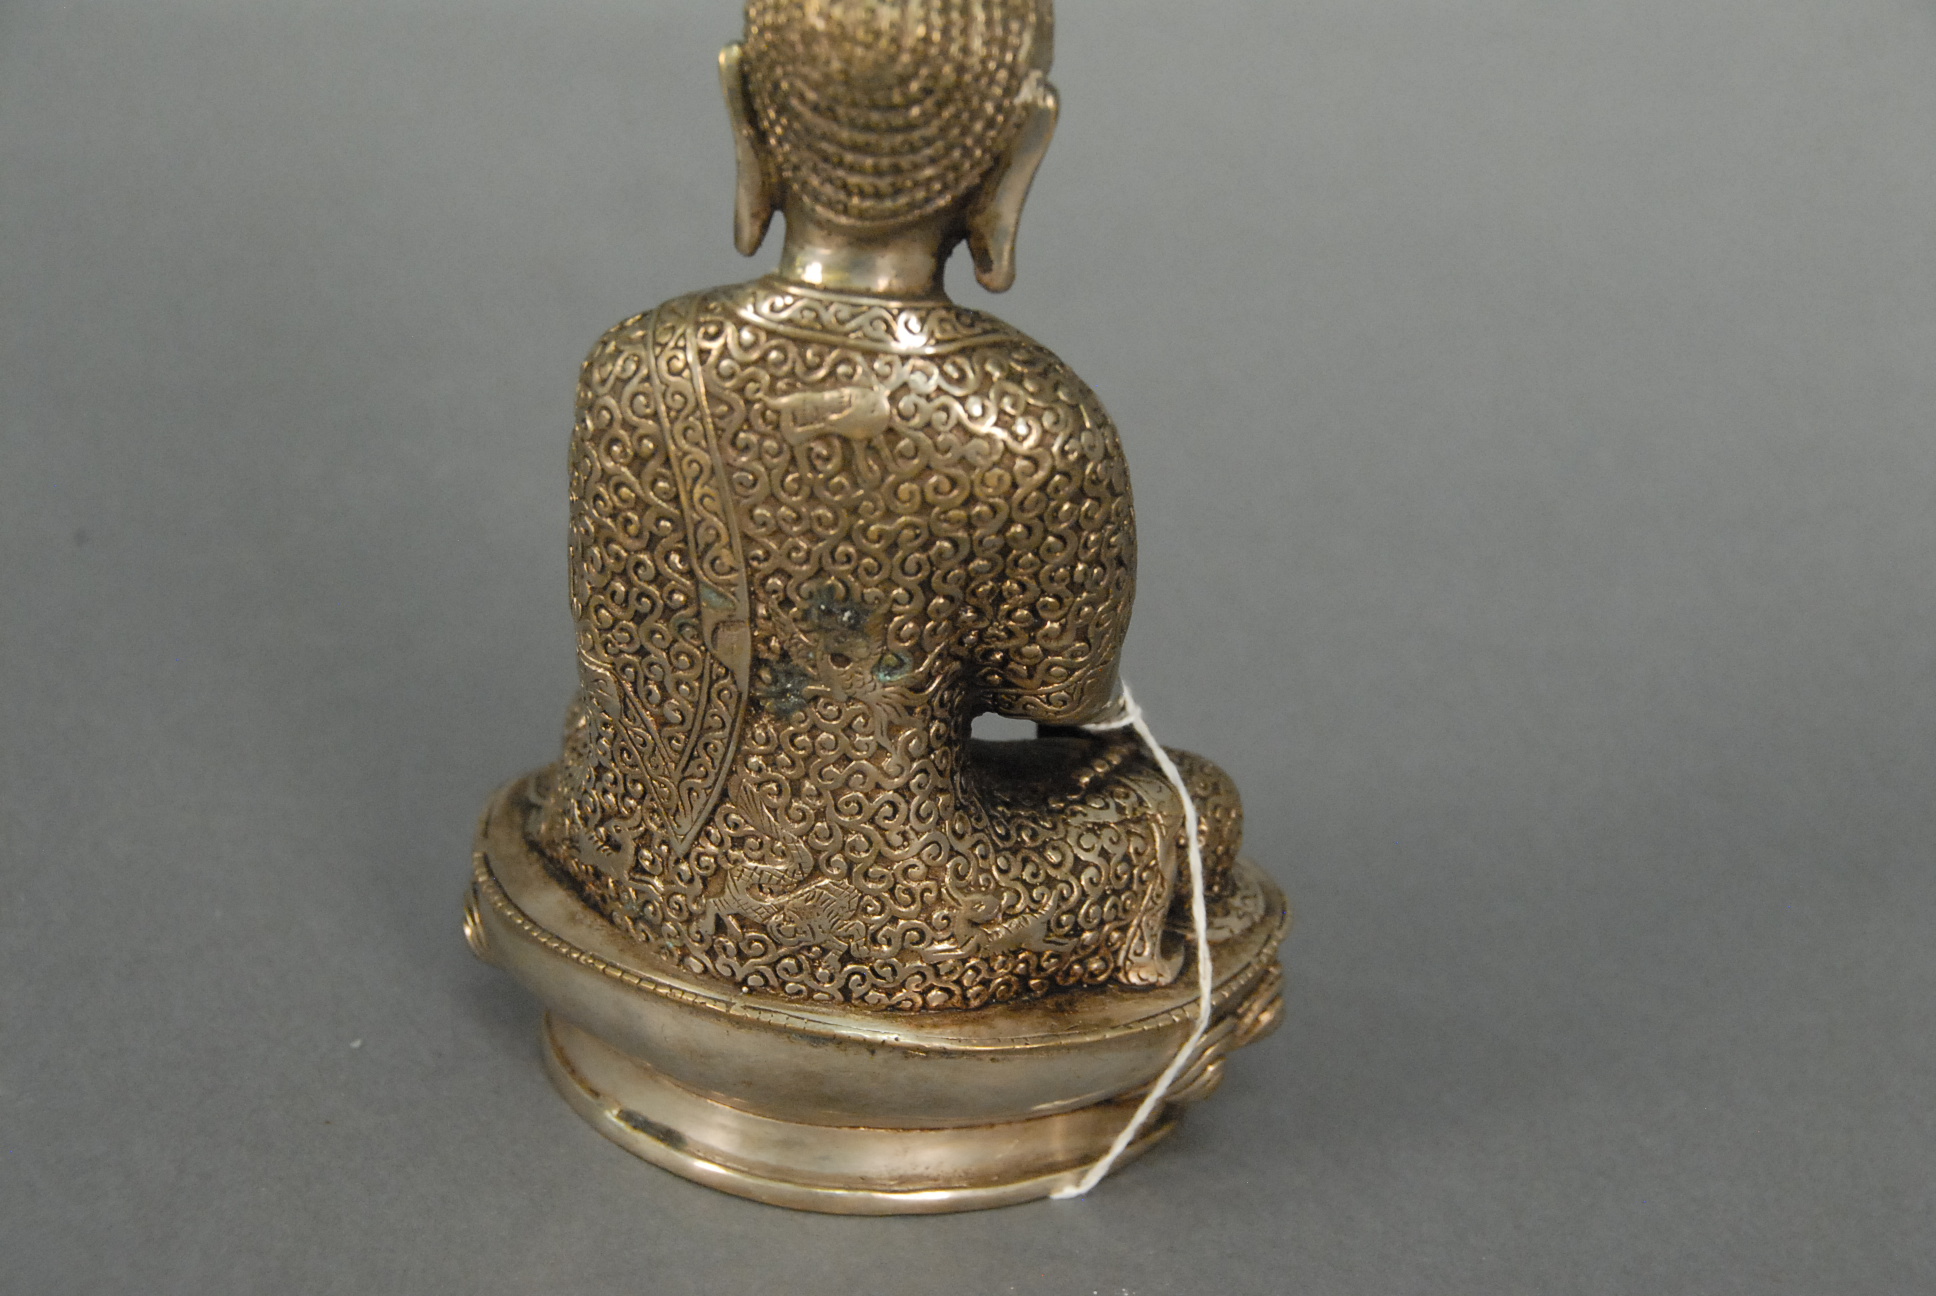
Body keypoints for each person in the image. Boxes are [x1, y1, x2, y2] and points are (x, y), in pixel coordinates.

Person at [537, 0, 1246, 1011]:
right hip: (906, 926)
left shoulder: (631, 366)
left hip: (617, 853)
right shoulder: (1026, 426)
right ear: (1022, 142)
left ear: (744, 103)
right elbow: (1057, 699)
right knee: (1194, 805)